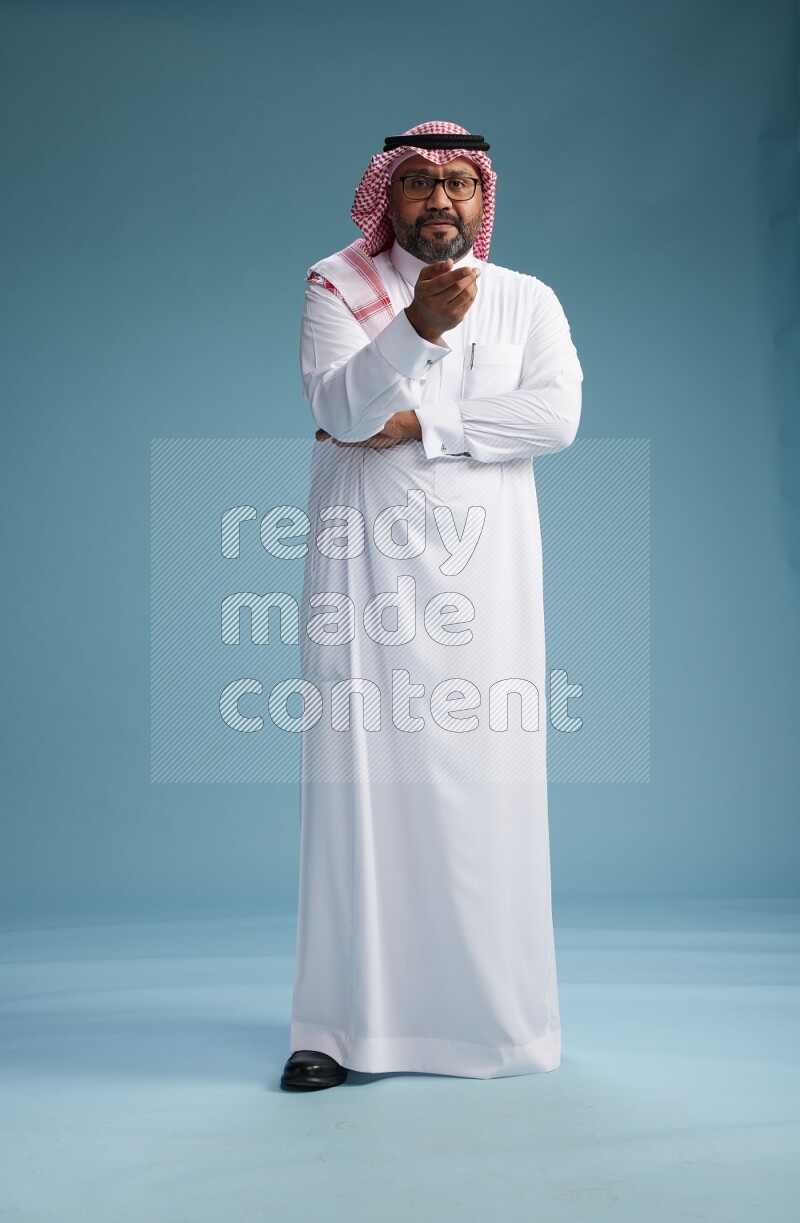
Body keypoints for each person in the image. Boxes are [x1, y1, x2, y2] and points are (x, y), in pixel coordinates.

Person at [280, 120, 583, 1091]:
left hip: (484, 594)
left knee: (481, 799)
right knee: (357, 800)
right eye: (417, 183)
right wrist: (410, 331)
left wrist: (432, 422)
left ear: (481, 198)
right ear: (386, 196)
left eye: (458, 183)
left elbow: (555, 416)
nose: (439, 200)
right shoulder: (336, 284)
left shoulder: (525, 300)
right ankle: (334, 1027)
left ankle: (493, 1022)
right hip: (362, 586)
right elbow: (340, 412)